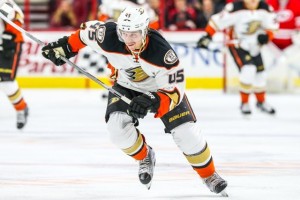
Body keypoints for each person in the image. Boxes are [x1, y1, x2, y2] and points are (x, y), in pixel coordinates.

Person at [41, 6, 228, 195]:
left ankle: (209, 175)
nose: (129, 40)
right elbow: (84, 33)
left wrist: (154, 101)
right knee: (117, 129)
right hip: (125, 85)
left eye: (135, 34)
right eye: (125, 33)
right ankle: (145, 156)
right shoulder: (108, 35)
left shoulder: (162, 53)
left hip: (160, 91)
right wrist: (65, 46)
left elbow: (175, 90)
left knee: (187, 135)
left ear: (145, 30)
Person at [197, 0, 279, 115]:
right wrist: (207, 36)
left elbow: (273, 26)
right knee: (248, 69)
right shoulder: (234, 8)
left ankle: (261, 102)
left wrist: (267, 36)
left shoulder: (266, 9)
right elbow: (216, 21)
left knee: (260, 74)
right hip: (238, 45)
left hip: (255, 46)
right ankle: (244, 103)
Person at [0, 0, 29, 129]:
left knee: (6, 81)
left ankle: (21, 109)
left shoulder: (5, 4)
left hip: (9, 46)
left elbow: (16, 18)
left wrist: (9, 35)